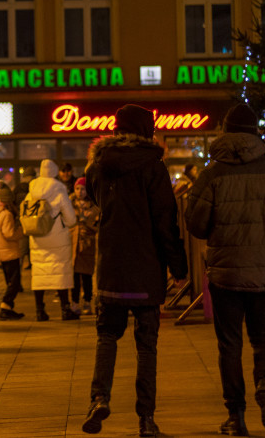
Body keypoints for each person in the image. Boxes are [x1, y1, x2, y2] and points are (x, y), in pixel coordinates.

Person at [185, 103, 265, 435]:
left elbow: (196, 224)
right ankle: (264, 384)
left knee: (230, 344)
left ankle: (236, 416)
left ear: (225, 133)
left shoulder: (212, 175)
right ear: (256, 134)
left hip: (227, 274)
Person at [83, 104, 188, 437]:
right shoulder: (153, 167)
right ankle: (146, 419)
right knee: (146, 345)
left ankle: (99, 398)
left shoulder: (98, 165)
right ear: (147, 131)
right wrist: (178, 266)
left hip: (111, 266)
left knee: (107, 336)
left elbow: (96, 201)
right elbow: (165, 221)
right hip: (146, 265)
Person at [27, 160, 79, 321]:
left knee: (39, 274)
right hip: (57, 237)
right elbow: (71, 219)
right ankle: (65, 309)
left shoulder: (32, 189)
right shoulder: (59, 188)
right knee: (60, 272)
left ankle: (39, 311)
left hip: (37, 236)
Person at [0, 186, 26, 320]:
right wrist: (21, 231)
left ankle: (8, 309)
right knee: (15, 282)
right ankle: (5, 307)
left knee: (10, 281)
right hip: (9, 251)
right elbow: (9, 234)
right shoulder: (6, 214)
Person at [70, 178, 99, 315]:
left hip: (87, 245)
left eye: (82, 189)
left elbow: (97, 225)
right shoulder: (69, 204)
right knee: (74, 277)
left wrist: (87, 223)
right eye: (77, 189)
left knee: (87, 276)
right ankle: (75, 302)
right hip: (73, 245)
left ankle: (87, 301)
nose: (80, 192)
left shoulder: (94, 206)